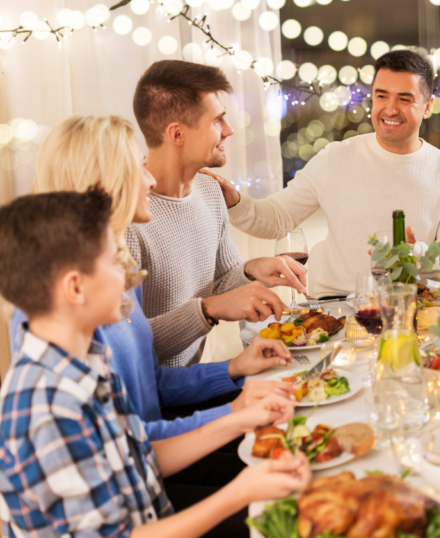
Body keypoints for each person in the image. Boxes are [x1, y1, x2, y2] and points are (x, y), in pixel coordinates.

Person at [0, 189, 311, 538]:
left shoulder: (86, 362)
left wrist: (240, 418)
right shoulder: (48, 406)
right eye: (113, 262)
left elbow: (139, 453)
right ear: (75, 288)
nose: (128, 276)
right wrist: (241, 492)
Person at [9, 115, 297, 442]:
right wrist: (233, 413)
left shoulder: (117, 271)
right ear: (103, 183)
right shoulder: (72, 299)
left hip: (154, 442)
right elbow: (128, 443)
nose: (151, 180)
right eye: (139, 167)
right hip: (148, 457)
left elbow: (150, 385)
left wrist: (234, 368)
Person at [212, 50, 440, 298]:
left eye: (405, 99)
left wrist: (414, 253)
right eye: (381, 96)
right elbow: (277, 219)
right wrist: (234, 201)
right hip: (335, 303)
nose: (390, 109)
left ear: (428, 106)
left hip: (413, 306)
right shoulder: (335, 157)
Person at [129, 60, 308, 368]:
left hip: (196, 379)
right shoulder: (129, 215)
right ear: (177, 134)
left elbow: (221, 284)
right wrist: (208, 309)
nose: (229, 130)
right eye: (217, 121)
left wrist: (252, 269)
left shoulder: (210, 192)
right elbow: (129, 346)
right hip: (155, 396)